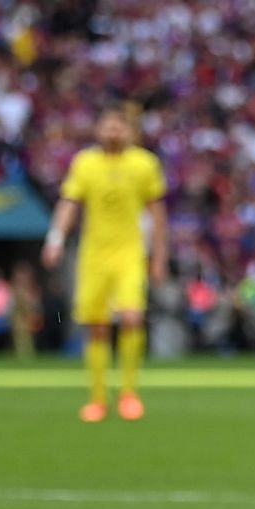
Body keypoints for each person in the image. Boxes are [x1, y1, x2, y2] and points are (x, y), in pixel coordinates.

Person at [41, 106, 169, 422]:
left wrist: (159, 257)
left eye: (119, 126)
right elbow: (69, 203)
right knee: (96, 326)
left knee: (131, 317)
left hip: (129, 252)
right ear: (98, 129)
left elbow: (157, 214)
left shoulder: (144, 163)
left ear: (130, 131)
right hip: (94, 254)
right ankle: (98, 399)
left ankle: (128, 393)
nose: (113, 131)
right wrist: (55, 239)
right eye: (107, 125)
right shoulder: (85, 163)